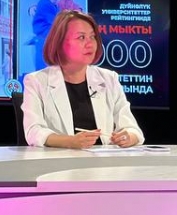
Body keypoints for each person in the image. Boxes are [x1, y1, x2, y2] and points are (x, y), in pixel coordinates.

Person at [21, 10, 144, 149]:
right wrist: (70, 142)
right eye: (81, 37)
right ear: (60, 43)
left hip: (103, 161)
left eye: (92, 37)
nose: (90, 44)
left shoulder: (109, 79)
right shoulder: (36, 81)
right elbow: (33, 132)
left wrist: (128, 137)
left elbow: (133, 130)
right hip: (59, 160)